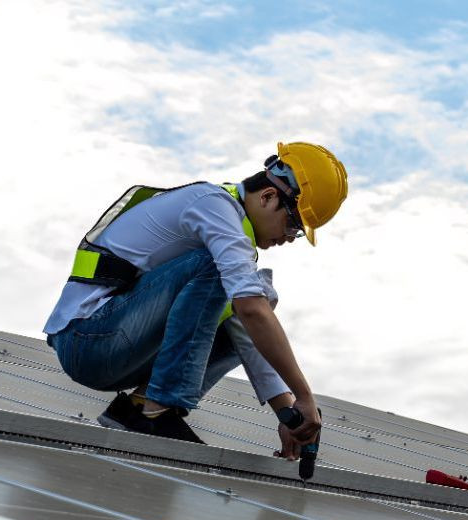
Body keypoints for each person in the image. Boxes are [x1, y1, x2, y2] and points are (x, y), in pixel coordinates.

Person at [43, 142, 347, 461]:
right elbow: (251, 309)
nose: (289, 238)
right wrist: (304, 394)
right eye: (294, 224)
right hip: (87, 340)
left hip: (119, 349)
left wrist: (291, 415)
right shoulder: (213, 207)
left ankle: (140, 409)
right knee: (236, 285)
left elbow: (247, 330)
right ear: (268, 196)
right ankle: (155, 412)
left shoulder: (231, 232)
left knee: (253, 298)